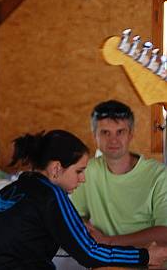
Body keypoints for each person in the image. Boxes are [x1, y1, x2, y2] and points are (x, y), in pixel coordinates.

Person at [0, 129, 167, 270]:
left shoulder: (9, 191)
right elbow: (90, 254)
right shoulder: (51, 193)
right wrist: (146, 256)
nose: (83, 178)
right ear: (56, 168)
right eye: (79, 171)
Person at [71, 100, 167, 247]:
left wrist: (108, 241)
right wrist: (86, 228)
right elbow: (75, 215)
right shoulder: (87, 170)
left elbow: (164, 234)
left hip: (151, 263)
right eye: (105, 132)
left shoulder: (159, 175)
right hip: (105, 262)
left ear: (131, 135)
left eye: (120, 132)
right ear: (94, 136)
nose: (113, 140)